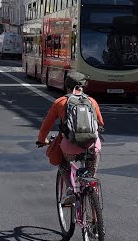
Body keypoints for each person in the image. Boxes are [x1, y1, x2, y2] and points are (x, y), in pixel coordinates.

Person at [36, 71, 105, 205]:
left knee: (62, 162)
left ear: (66, 86)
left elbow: (46, 125)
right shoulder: (92, 101)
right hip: (91, 146)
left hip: (70, 147)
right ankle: (95, 211)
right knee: (91, 176)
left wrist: (41, 139)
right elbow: (100, 123)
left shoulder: (61, 102)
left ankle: (70, 188)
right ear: (83, 86)